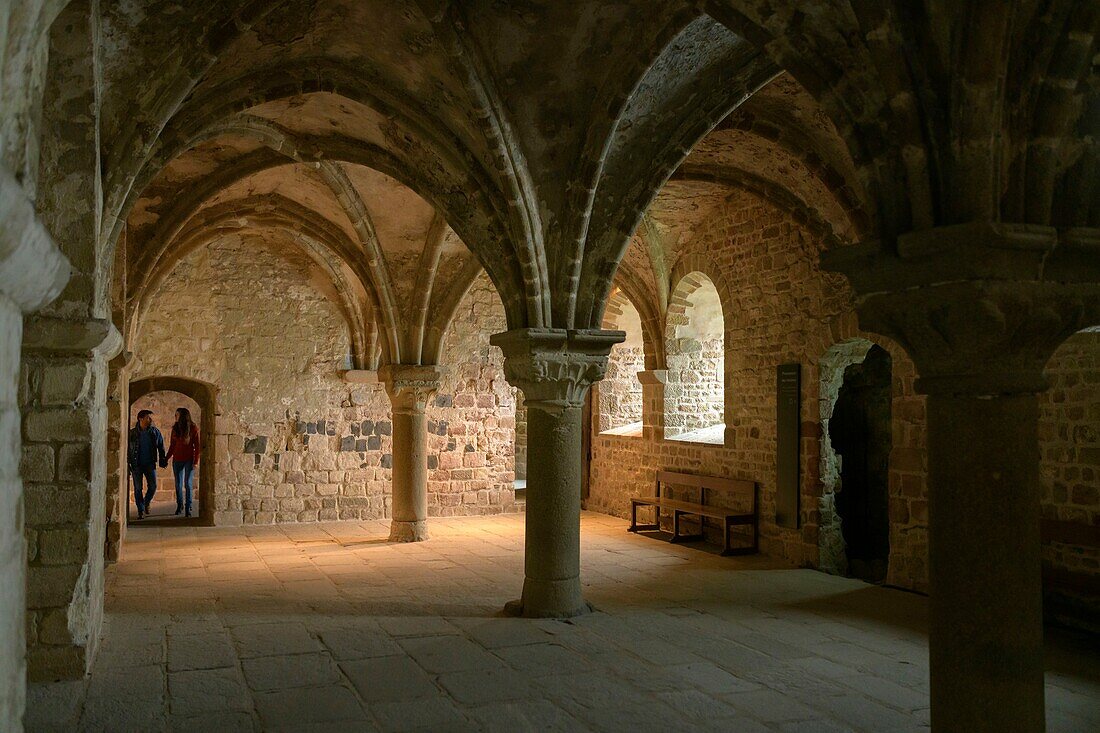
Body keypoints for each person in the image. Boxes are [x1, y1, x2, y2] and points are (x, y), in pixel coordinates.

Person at [128, 410, 166, 519]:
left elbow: (161, 446)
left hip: (150, 463)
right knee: (138, 488)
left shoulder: (154, 432)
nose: (150, 420)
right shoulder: (132, 433)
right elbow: (127, 449)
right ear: (140, 419)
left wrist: (162, 459)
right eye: (148, 418)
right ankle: (140, 510)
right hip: (137, 464)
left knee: (153, 486)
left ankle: (146, 502)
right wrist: (129, 464)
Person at [164, 407, 200, 517]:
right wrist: (166, 458)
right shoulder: (175, 428)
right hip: (177, 460)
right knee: (178, 484)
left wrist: (195, 461)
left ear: (183, 416)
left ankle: (188, 506)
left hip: (189, 460)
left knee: (188, 484)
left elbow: (197, 446)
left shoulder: (193, 428)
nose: (175, 417)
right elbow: (172, 445)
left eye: (177, 415)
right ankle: (180, 505)